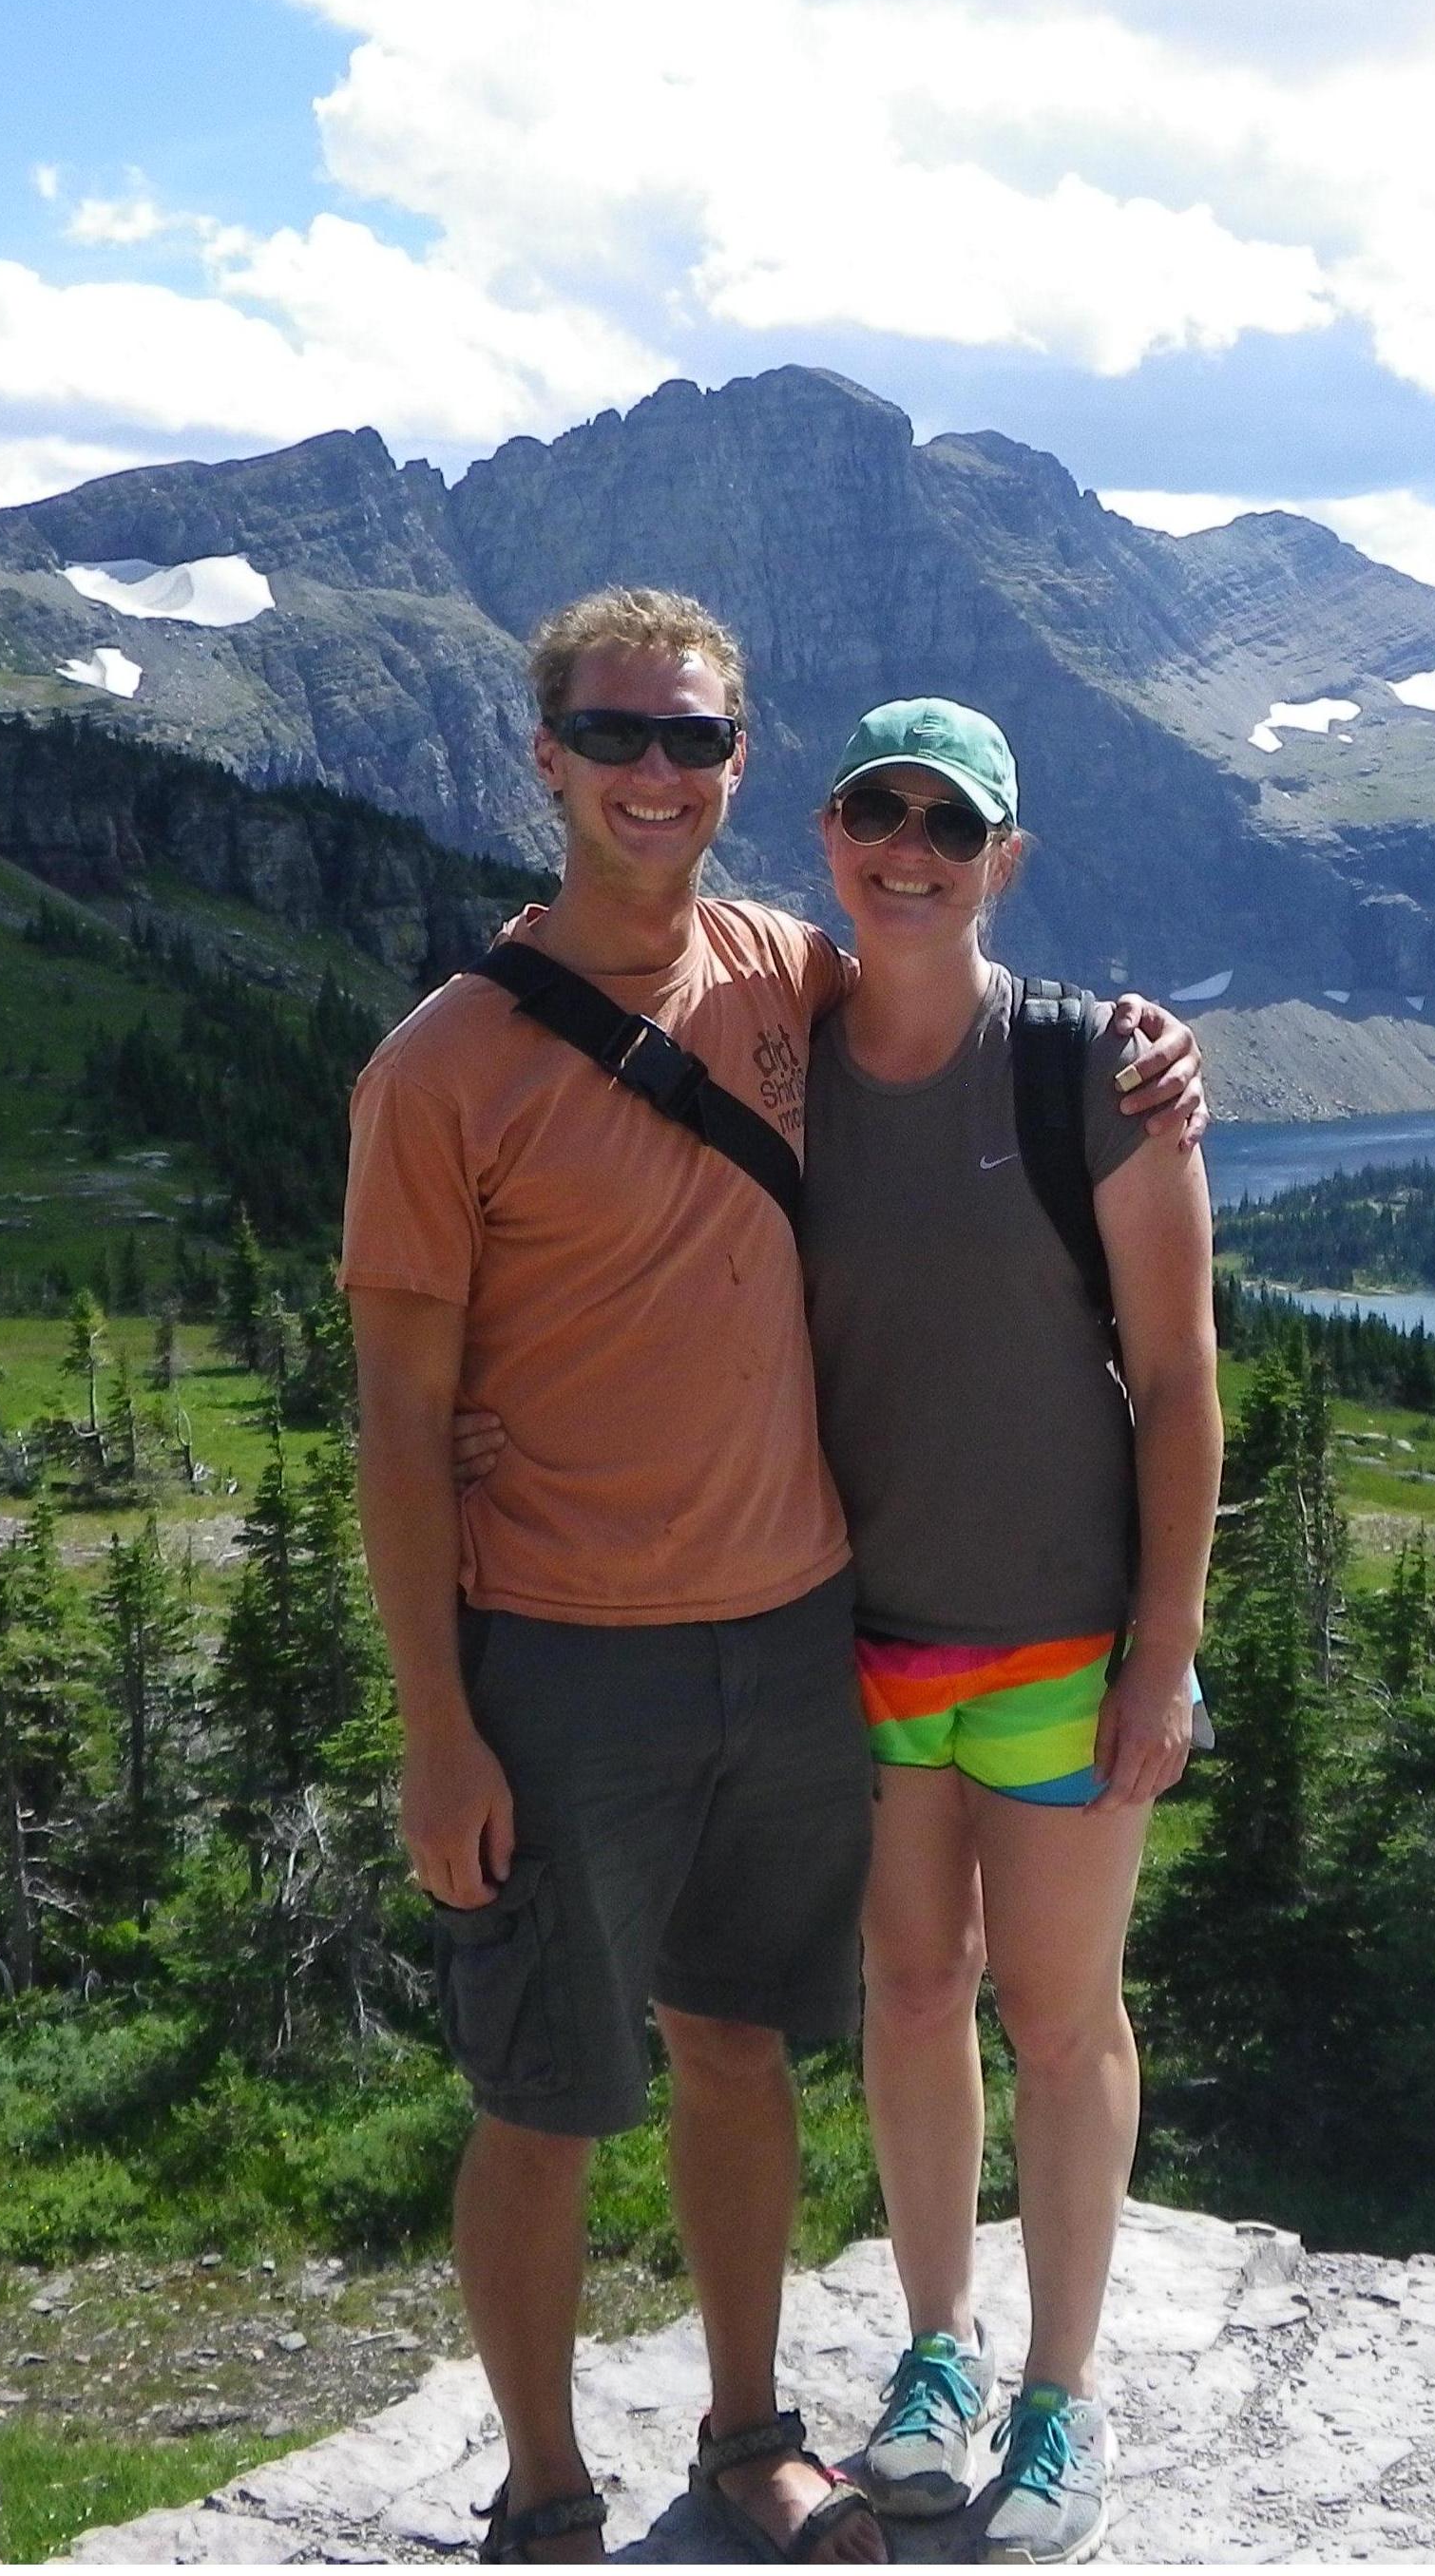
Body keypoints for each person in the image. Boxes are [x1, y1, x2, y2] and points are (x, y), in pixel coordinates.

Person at [341, 590, 1200, 2566]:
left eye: (695, 741)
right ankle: (546, 2491)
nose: (658, 773)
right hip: (562, 1653)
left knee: (744, 2040)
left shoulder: (778, 971)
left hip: (800, 1630)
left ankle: (754, 2431)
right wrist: (438, 1725)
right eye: (616, 736)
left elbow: (950, 991)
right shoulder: (443, 1067)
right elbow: (398, 1418)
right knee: (550, 2089)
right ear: (543, 757)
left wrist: (1152, 1048)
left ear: (741, 774)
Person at [804, 701, 1219, 2566]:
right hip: (864, 1640)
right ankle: (932, 2354)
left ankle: (1056, 2399)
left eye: (947, 826)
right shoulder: (774, 1053)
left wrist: (1161, 1649)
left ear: (1004, 861)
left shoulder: (1088, 1070)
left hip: (1058, 1639)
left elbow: (1182, 1376)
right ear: (828, 834)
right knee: (906, 1995)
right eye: (876, 811)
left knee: (1058, 2020)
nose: (908, 848)